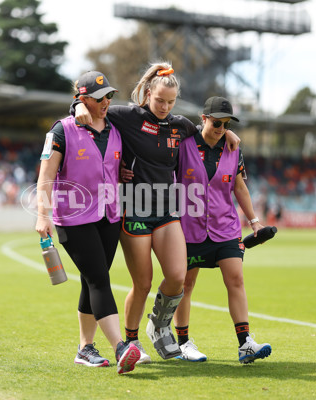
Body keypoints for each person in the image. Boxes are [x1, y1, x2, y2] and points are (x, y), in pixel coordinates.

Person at [72, 62, 241, 362]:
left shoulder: (181, 125)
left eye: (171, 102)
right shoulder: (127, 116)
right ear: (148, 94)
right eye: (160, 100)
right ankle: (131, 341)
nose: (164, 106)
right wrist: (75, 106)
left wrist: (226, 134)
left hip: (167, 209)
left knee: (177, 276)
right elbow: (95, 107)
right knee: (143, 283)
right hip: (134, 209)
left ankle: (158, 326)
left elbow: (208, 135)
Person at [35, 71, 140, 374]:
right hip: (73, 218)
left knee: (91, 279)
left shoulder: (115, 129)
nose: (107, 101)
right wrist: (43, 214)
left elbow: (112, 165)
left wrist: (123, 175)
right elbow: (45, 176)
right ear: (83, 99)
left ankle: (85, 348)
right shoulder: (61, 131)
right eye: (99, 97)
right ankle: (121, 347)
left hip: (109, 215)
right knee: (98, 279)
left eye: (109, 95)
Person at [173, 96, 272, 363]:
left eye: (226, 124)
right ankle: (183, 343)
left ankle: (245, 344)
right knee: (186, 284)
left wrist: (254, 222)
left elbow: (239, 187)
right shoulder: (183, 145)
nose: (220, 128)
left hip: (225, 227)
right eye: (216, 122)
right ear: (203, 119)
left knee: (236, 279)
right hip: (189, 228)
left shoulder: (234, 149)